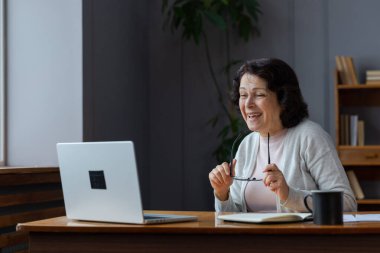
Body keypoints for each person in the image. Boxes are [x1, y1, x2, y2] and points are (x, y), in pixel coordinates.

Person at [208, 58, 357, 213]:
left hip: (299, 237)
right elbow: (235, 217)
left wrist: (289, 195)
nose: (248, 104)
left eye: (259, 94)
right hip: (252, 238)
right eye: (243, 95)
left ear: (283, 98)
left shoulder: (310, 136)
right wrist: (222, 193)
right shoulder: (247, 145)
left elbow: (346, 203)